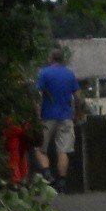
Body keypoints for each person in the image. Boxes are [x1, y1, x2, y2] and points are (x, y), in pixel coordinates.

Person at [35, 47, 84, 193]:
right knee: (63, 150)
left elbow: (37, 96)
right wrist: (77, 114)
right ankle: (62, 184)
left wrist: (37, 116)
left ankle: (47, 174)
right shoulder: (70, 74)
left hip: (47, 116)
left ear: (51, 58)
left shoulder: (44, 73)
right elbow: (78, 98)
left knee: (40, 148)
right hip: (65, 117)